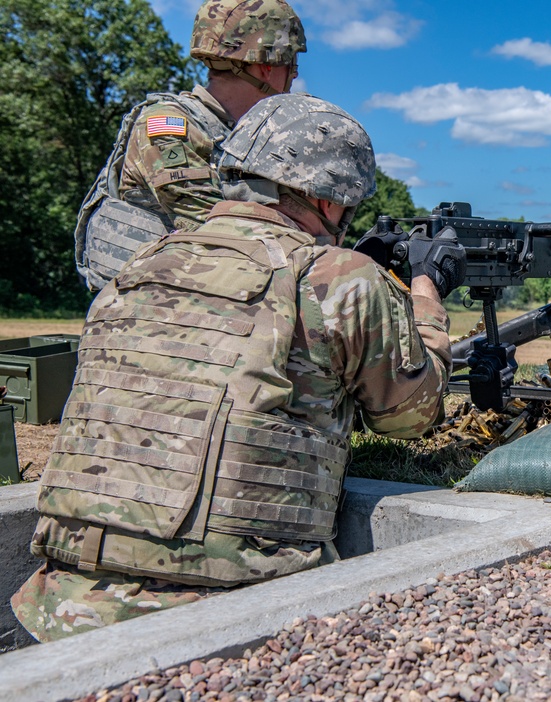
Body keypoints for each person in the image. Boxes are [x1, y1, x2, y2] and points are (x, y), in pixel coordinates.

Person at [12, 93, 466, 642]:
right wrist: (425, 295)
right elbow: (412, 416)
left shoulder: (141, 263)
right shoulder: (337, 276)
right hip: (228, 611)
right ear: (326, 200)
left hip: (58, 606)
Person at [76, 0, 307, 289]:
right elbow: (212, 230)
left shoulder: (244, 136)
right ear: (265, 67)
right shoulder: (167, 124)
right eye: (292, 63)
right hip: (152, 313)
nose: (295, 75)